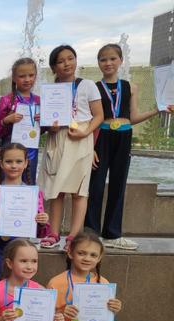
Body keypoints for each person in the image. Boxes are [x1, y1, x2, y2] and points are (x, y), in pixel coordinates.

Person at [85, 43, 171, 250]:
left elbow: (133, 117)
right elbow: (89, 119)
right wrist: (90, 148)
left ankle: (112, 234)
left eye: (112, 58)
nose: (108, 63)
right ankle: (90, 233)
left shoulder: (131, 87)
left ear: (121, 61)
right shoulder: (94, 88)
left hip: (123, 136)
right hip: (101, 136)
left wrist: (158, 110)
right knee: (95, 185)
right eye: (103, 59)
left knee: (118, 184)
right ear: (98, 63)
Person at [40, 45, 104, 251]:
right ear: (53, 67)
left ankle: (74, 235)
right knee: (56, 189)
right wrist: (50, 126)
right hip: (58, 137)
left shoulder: (87, 85)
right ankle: (53, 232)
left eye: (70, 58)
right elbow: (46, 122)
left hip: (80, 137)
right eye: (60, 61)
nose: (66, 63)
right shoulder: (51, 90)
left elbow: (99, 116)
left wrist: (86, 133)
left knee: (79, 191)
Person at [0, 144, 50, 287]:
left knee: (18, 287)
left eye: (19, 161)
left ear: (26, 163)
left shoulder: (33, 193)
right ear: (1, 163)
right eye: (9, 161)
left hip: (21, 248)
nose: (14, 166)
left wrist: (42, 222)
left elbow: (39, 232)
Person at [0, 58, 41, 186]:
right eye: (22, 76)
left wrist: (43, 122)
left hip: (31, 150)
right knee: (8, 184)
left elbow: (43, 130)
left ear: (36, 76)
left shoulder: (38, 100)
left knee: (29, 183)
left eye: (31, 75)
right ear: (14, 78)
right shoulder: (6, 100)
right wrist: (6, 121)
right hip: (10, 151)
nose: (27, 79)